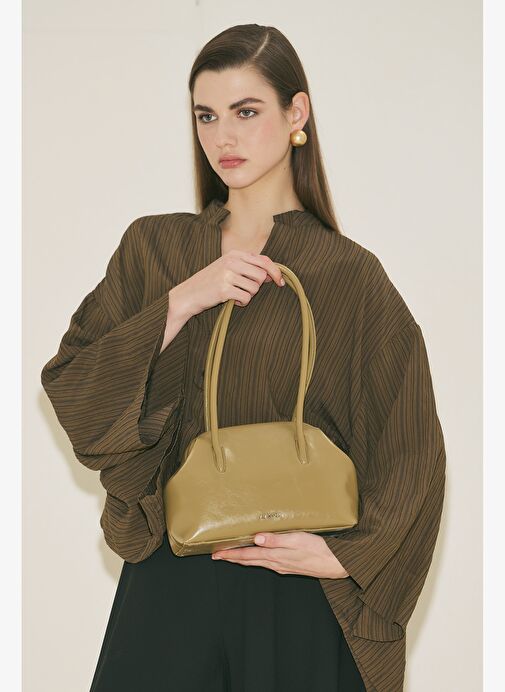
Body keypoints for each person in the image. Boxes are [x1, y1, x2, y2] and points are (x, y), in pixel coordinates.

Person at [40, 23, 446, 692]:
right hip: (171, 575)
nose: (222, 137)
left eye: (246, 112)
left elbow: (410, 445)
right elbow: (75, 388)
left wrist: (347, 558)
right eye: (206, 115)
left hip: (298, 594)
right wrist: (182, 300)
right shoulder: (156, 249)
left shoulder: (349, 276)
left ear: (296, 113)